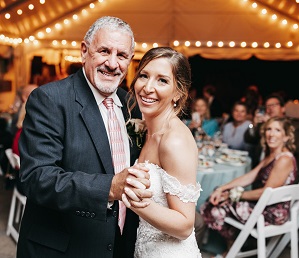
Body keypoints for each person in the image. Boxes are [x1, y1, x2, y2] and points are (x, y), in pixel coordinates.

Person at [17, 16, 153, 258]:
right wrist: (109, 188)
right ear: (84, 51)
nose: (112, 63)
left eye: (121, 55)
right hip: (64, 249)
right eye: (104, 51)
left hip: (119, 245)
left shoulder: (132, 105)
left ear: (130, 61)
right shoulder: (50, 99)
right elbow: (36, 178)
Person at [121, 47, 202, 257]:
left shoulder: (174, 141)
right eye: (144, 76)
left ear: (178, 92)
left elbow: (185, 225)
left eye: (162, 80)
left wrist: (132, 198)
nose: (148, 87)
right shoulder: (147, 129)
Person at [200, 116, 297, 258]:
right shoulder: (272, 155)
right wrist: (223, 188)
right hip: (264, 205)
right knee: (217, 196)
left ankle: (230, 250)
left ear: (286, 136)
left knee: (216, 207)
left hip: (272, 213)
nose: (271, 134)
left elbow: (266, 193)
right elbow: (250, 176)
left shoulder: (284, 159)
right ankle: (232, 247)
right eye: (269, 129)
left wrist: (232, 195)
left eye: (277, 130)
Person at [244, 93, 285, 168]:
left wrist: (270, 124)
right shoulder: (262, 124)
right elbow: (248, 139)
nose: (270, 108)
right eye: (268, 106)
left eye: (274, 105)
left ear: (283, 108)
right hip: (258, 166)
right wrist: (253, 124)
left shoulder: (291, 125)